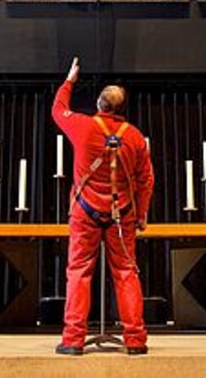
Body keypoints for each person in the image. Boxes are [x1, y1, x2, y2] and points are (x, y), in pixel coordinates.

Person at [52, 56, 154, 356]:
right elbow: (146, 180)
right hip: (122, 214)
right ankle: (135, 340)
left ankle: (73, 340)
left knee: (79, 272)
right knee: (126, 273)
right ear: (122, 109)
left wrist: (70, 80)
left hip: (85, 212)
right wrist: (142, 213)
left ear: (99, 104)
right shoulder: (135, 137)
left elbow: (58, 110)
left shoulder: (82, 126)